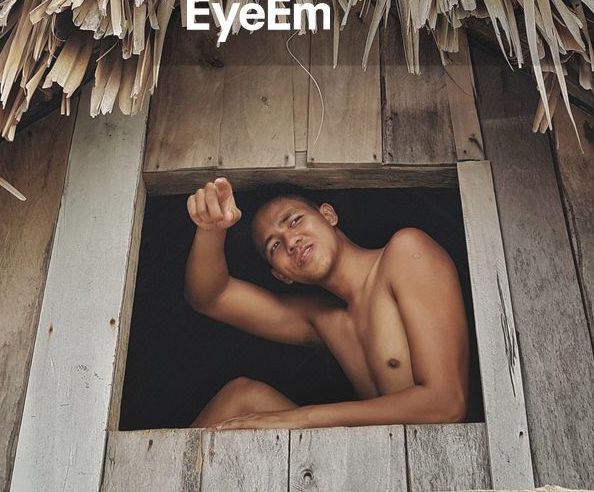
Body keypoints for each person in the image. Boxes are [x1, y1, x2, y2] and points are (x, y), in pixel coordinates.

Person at [183, 177, 470, 431]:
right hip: (373, 463)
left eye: (294, 220)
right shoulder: (323, 318)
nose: (291, 241)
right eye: (275, 246)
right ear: (282, 275)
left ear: (328, 215)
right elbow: (211, 297)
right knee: (241, 398)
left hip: (432, 466)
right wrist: (211, 228)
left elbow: (446, 404)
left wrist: (303, 419)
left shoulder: (406, 252)